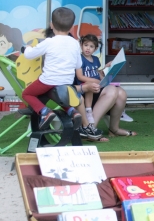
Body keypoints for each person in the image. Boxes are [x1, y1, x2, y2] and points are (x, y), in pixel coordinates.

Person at [21, 7, 98, 136]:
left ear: (52, 25)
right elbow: (78, 64)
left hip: (48, 80)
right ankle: (73, 112)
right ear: (72, 27)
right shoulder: (74, 43)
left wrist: (28, 48)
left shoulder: (49, 42)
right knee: (55, 95)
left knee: (27, 94)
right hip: (66, 82)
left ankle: (45, 112)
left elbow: (29, 55)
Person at [75, 34, 137, 138]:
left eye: (91, 47)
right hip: (85, 90)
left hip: (96, 86)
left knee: (121, 93)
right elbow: (81, 76)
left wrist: (106, 69)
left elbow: (96, 73)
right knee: (112, 90)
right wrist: (96, 80)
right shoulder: (79, 58)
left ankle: (114, 128)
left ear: (95, 49)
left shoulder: (95, 59)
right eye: (86, 45)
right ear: (81, 45)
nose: (88, 48)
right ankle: (89, 130)